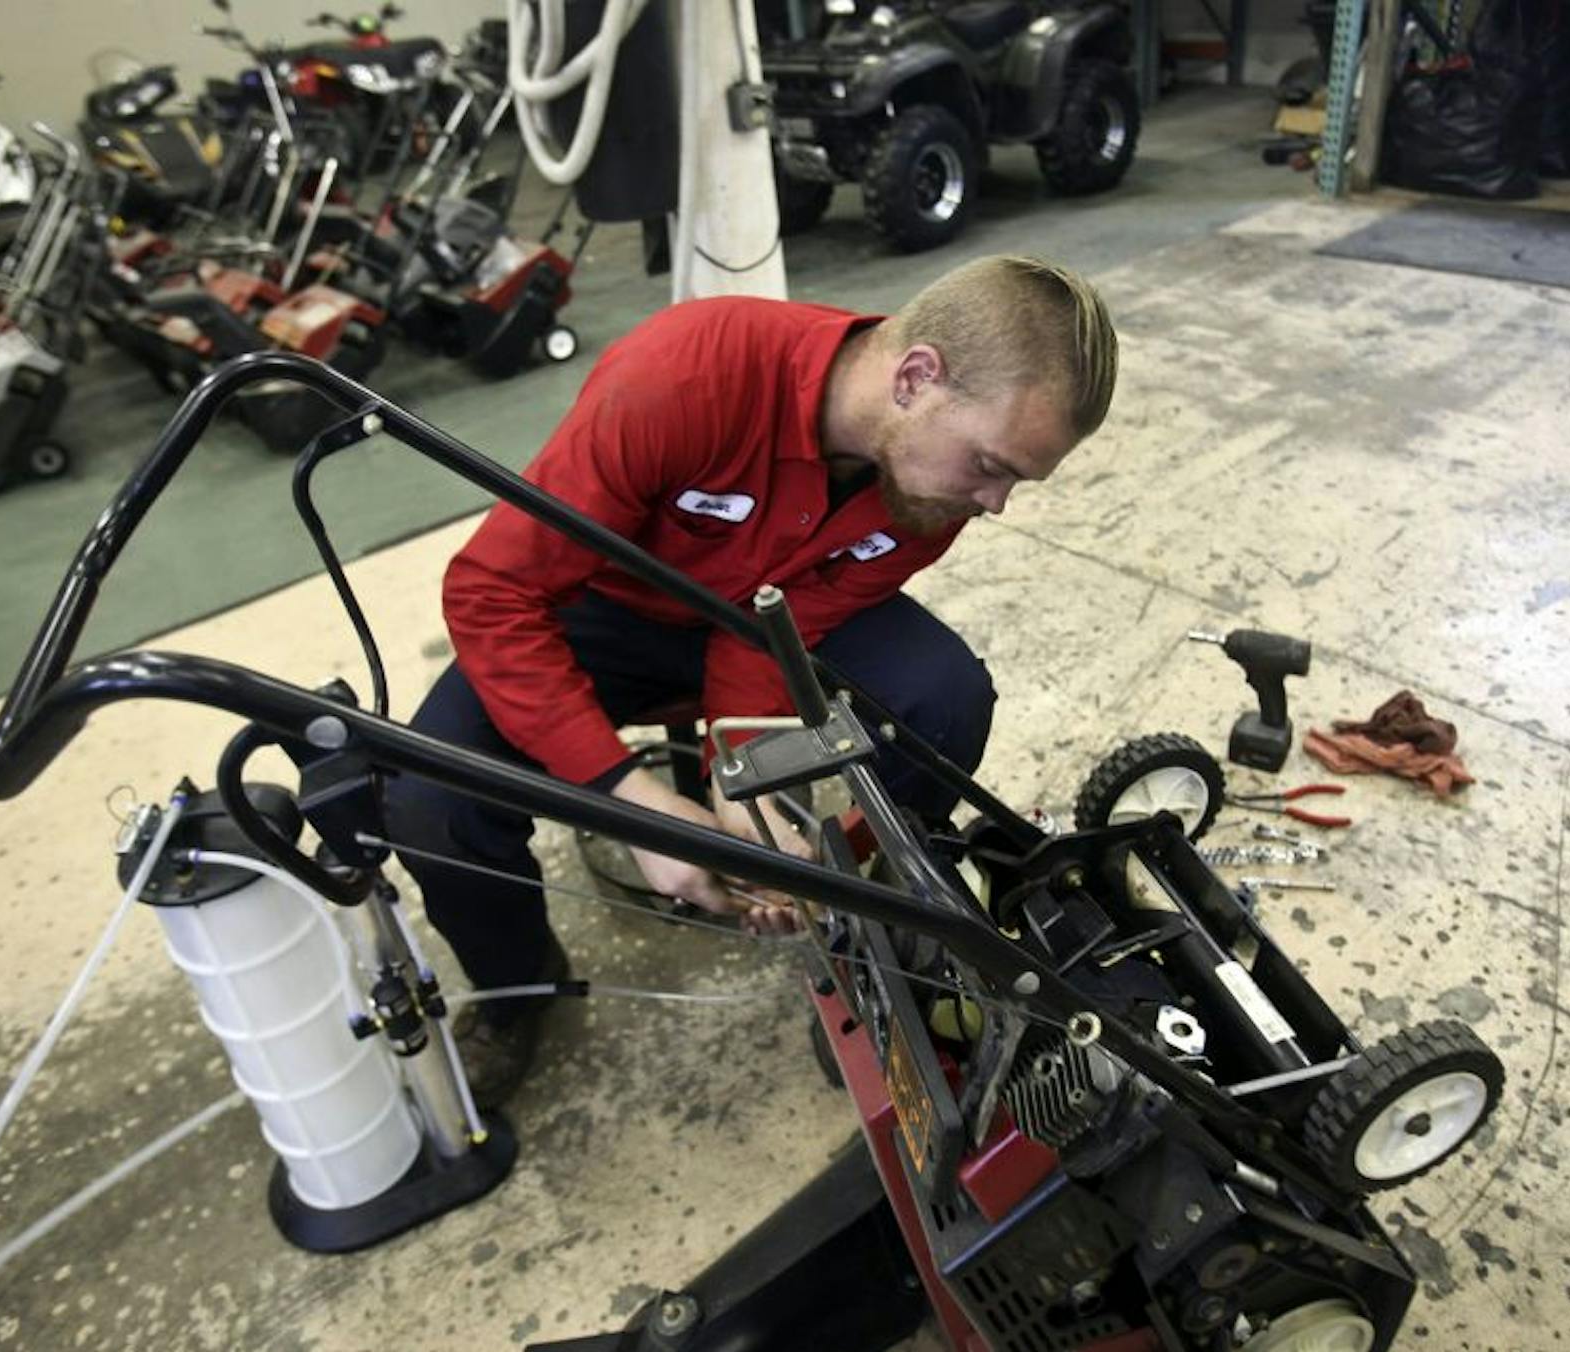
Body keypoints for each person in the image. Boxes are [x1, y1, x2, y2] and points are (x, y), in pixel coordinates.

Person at [387, 254, 1118, 1103]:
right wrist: (633, 804)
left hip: (757, 621)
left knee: (942, 697)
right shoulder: (685, 377)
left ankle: (857, 925)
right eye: (992, 466)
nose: (995, 505)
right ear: (917, 378)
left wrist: (744, 782)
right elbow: (493, 589)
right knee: (429, 797)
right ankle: (517, 983)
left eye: (1015, 480)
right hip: (601, 608)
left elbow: (786, 620)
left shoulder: (931, 490)